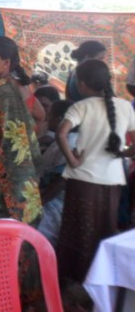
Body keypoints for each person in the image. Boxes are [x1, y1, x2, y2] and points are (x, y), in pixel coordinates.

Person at [56, 59, 135, 282]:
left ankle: (75, 283)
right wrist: (122, 154)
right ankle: (100, 284)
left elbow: (61, 133)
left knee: (79, 235)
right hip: (112, 184)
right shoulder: (124, 106)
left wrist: (72, 160)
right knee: (104, 233)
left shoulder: (80, 106)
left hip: (81, 183)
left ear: (80, 84)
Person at [0, 36, 43, 225]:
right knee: (21, 223)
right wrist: (25, 141)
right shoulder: (21, 86)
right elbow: (40, 115)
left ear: (6, 63)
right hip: (25, 167)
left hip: (0, 167)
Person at [37, 100, 75, 247]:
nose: (47, 118)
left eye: (50, 115)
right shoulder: (59, 141)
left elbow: (61, 179)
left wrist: (40, 202)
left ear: (60, 120)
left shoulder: (68, 143)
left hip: (54, 203)